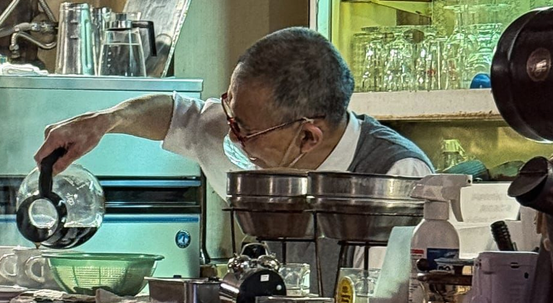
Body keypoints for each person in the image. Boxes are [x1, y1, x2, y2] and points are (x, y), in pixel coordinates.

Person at [35, 27, 434, 200]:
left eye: (244, 129)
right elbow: (179, 115)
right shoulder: (239, 134)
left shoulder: (398, 175)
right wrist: (106, 121)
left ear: (309, 136)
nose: (231, 136)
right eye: (230, 112)